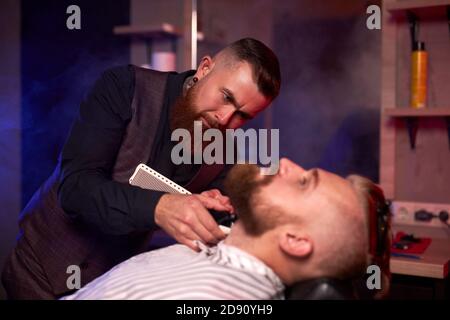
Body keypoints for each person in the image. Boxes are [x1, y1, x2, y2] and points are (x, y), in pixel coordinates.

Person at [2, 38, 281, 299]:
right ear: (205, 68)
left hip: (111, 287)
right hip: (40, 270)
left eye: (243, 115)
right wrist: (160, 207)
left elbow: (204, 227)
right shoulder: (124, 86)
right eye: (226, 97)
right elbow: (75, 188)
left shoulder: (226, 150)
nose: (225, 119)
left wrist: (212, 213)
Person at [62, 158, 391, 300]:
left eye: (304, 182)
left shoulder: (208, 297)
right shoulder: (226, 245)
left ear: (294, 240)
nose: (287, 163)